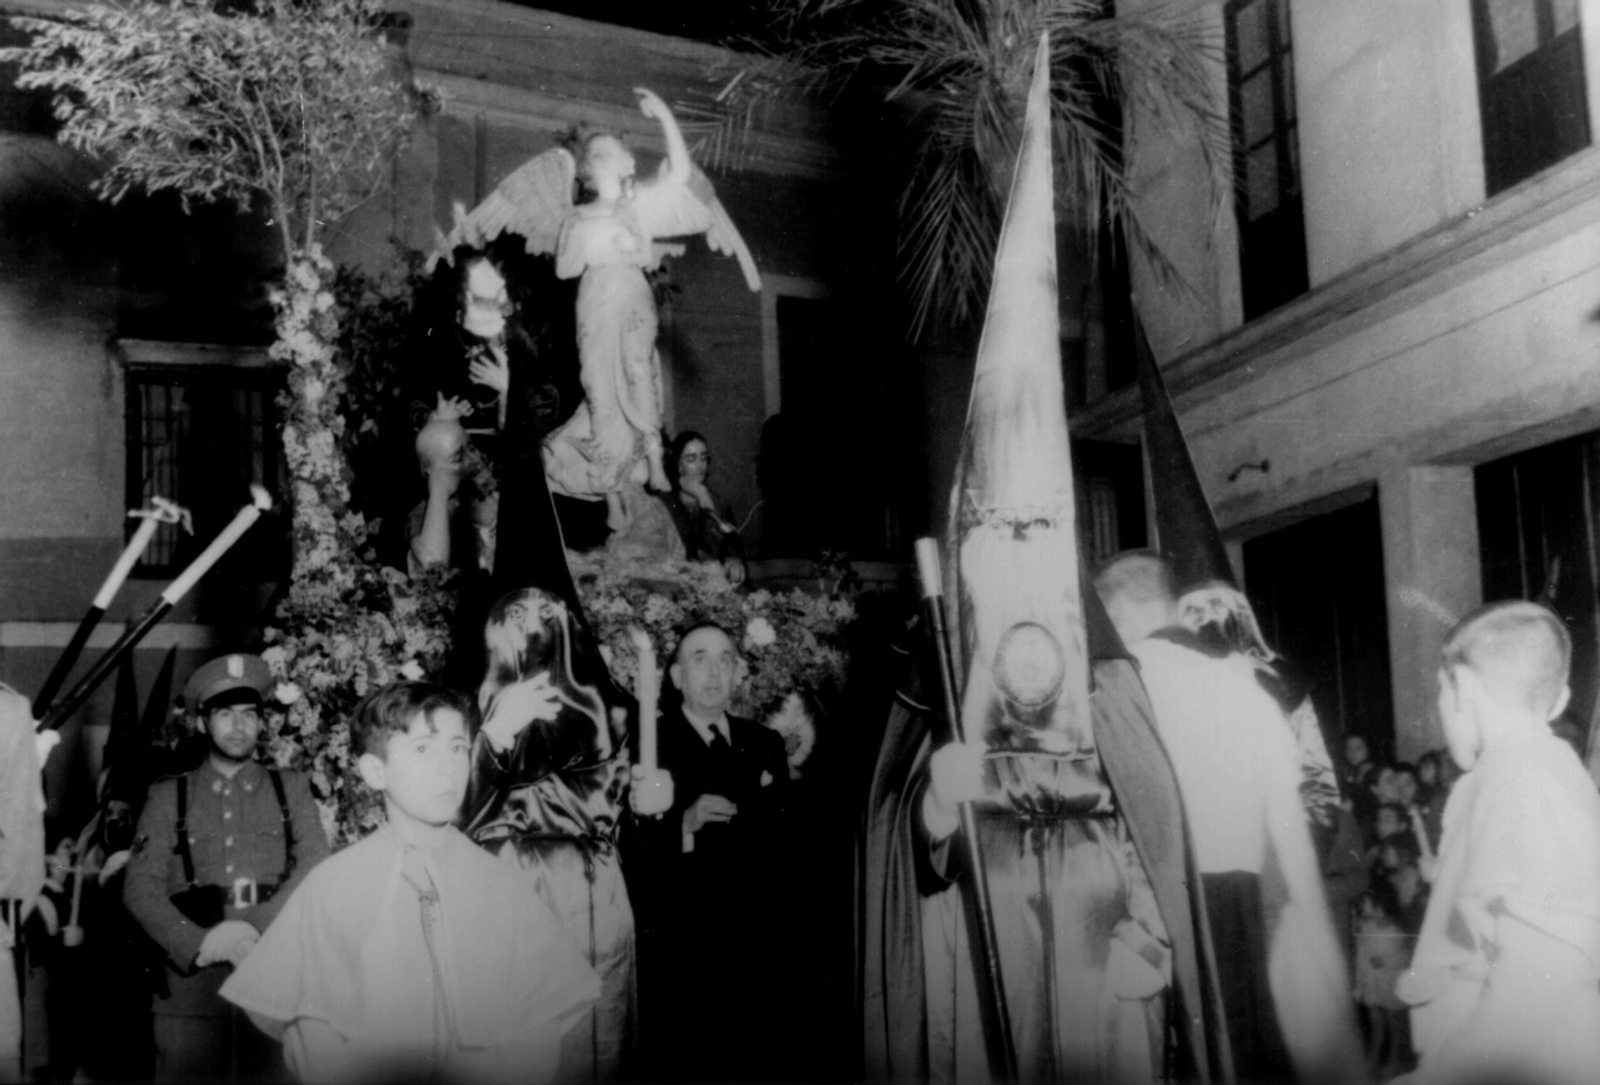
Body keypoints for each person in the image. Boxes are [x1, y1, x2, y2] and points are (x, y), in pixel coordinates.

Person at [220, 681, 600, 1084]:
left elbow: (537, 1030)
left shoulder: (499, 883)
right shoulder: (334, 886)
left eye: (457, 748)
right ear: (375, 771)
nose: (446, 766)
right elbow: (313, 1036)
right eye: (423, 748)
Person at [1094, 551, 1361, 1083]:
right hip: (1257, 905)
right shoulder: (1253, 683)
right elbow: (1301, 820)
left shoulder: (1123, 685)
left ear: (1115, 615)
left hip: (1164, 912)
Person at [1396, 601, 1600, 1085]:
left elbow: (1534, 986)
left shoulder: (1521, 778)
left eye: (1441, 693)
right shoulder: (1518, 772)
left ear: (1462, 686)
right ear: (1558, 698)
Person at [462, 587, 647, 1084]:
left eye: (549, 610)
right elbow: (451, 814)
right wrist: (496, 734)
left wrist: (652, 810)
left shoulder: (614, 711)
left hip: (592, 890)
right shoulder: (463, 709)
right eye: (516, 611)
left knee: (593, 1042)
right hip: (502, 891)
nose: (534, 623)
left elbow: (614, 816)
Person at [122, 653, 330, 1083]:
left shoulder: (289, 788)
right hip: (192, 992)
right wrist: (201, 942)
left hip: (274, 980)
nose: (239, 726)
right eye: (225, 714)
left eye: (250, 714)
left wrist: (253, 929)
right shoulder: (168, 797)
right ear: (201, 723)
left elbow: (315, 866)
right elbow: (139, 888)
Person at [630, 621, 789, 1081]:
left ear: (738, 672)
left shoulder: (764, 743)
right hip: (688, 947)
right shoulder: (649, 744)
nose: (714, 672)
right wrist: (685, 823)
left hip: (756, 945)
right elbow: (632, 846)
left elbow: (782, 842)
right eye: (699, 659)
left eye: (725, 660)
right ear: (677, 677)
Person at [1177, 579, 1342, 848]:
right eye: (1190, 612)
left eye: (1213, 607)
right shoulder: (1174, 685)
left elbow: (1315, 777)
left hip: (1273, 839)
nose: (1202, 621)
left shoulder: (1280, 684)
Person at [659, 431, 746, 583]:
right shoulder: (666, 503)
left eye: (703, 458)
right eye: (691, 459)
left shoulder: (717, 501)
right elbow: (695, 554)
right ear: (678, 464)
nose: (700, 466)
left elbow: (730, 548)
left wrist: (734, 559)